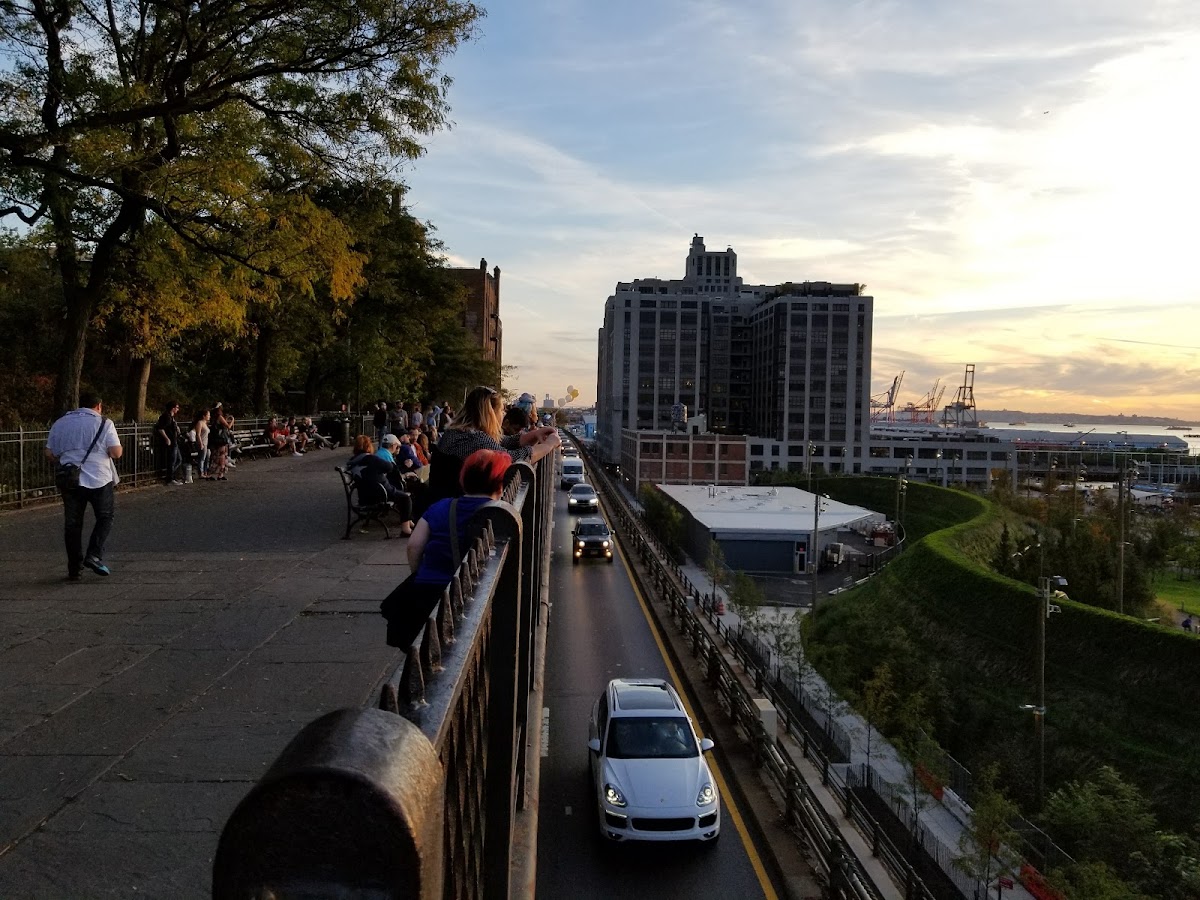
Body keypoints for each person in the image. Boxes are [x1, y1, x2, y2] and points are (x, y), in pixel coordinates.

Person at [379, 448, 509, 648]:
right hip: (473, 593)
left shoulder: (441, 506)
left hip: (429, 589)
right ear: (500, 485)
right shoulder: (500, 514)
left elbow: (413, 546)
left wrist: (419, 572)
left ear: (464, 479)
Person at [427, 385, 560, 506]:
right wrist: (549, 445)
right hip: (456, 512)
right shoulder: (474, 440)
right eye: (501, 410)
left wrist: (536, 434)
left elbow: (505, 441)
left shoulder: (459, 433)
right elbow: (511, 459)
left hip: (444, 505)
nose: (504, 414)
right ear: (490, 413)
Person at [45, 392, 123, 580]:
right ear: (99, 406)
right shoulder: (105, 423)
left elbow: (49, 452)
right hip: (99, 478)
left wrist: (66, 460)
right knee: (105, 516)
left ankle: (74, 568)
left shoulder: (60, 423)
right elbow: (116, 452)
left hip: (70, 479)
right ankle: (93, 555)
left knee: (72, 524)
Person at [348, 435, 413, 535]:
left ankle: (409, 522)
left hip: (364, 496)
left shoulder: (353, 461)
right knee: (405, 498)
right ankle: (406, 529)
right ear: (369, 447)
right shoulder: (371, 458)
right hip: (381, 493)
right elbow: (389, 467)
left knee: (401, 494)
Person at [154, 400, 183, 485]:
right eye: (177, 407)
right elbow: (160, 428)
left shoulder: (171, 417)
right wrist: (167, 438)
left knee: (178, 459)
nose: (178, 409)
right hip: (171, 441)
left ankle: (171, 475)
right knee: (172, 460)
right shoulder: (166, 417)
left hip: (174, 440)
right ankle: (170, 478)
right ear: (173, 408)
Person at [209, 403, 233, 480]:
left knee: (216, 456)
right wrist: (232, 421)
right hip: (221, 440)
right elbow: (228, 426)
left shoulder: (213, 417)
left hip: (215, 439)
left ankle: (214, 473)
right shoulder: (219, 417)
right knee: (221, 455)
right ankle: (219, 473)